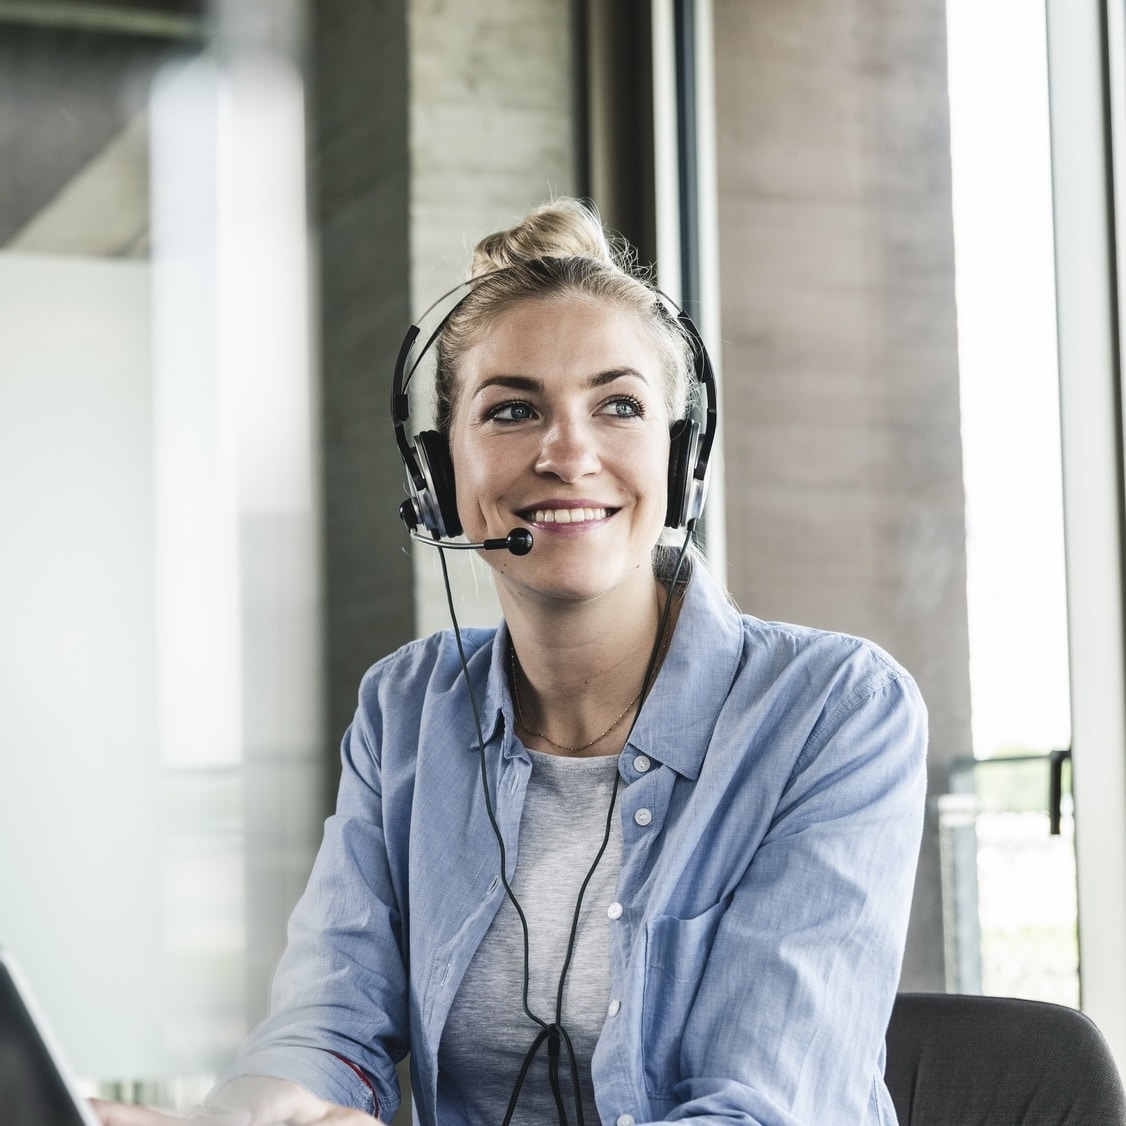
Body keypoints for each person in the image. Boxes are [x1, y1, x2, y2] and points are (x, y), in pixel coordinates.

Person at [93, 198, 927, 1126]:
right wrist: (247, 1116)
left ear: (680, 453)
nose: (567, 453)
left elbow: (761, 1108)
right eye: (512, 410)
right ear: (440, 474)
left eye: (618, 405)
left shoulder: (835, 712)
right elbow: (325, 1022)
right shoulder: (407, 708)